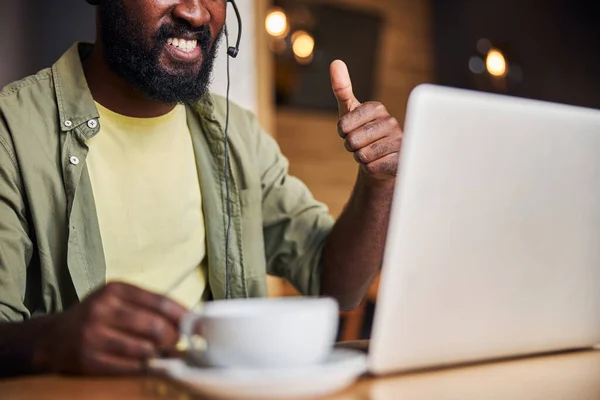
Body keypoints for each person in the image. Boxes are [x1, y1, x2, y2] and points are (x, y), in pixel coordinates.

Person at [0, 0, 403, 376]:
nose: (195, 12)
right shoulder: (13, 132)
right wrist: (50, 340)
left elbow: (336, 285)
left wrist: (378, 183)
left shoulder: (237, 134)